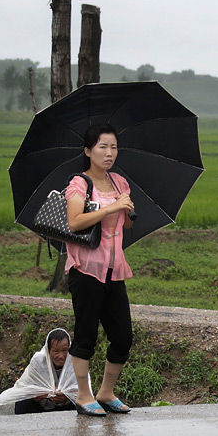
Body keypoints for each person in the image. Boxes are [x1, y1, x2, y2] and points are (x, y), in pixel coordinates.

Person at [64, 123, 135, 415]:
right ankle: (83, 395)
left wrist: (126, 210)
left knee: (123, 335)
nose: (109, 153)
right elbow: (74, 222)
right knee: (86, 334)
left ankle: (106, 392)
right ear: (88, 151)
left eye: (114, 147)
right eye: (103, 147)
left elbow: (126, 224)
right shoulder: (80, 184)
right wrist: (109, 208)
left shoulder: (119, 182)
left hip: (114, 268)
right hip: (85, 269)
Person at [0, 329, 79, 416]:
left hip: (64, 405)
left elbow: (79, 390)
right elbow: (28, 388)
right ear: (48, 351)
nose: (61, 356)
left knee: (80, 405)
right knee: (21, 403)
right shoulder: (39, 361)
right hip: (40, 404)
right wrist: (46, 394)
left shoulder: (74, 362)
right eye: (56, 351)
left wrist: (66, 396)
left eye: (65, 350)